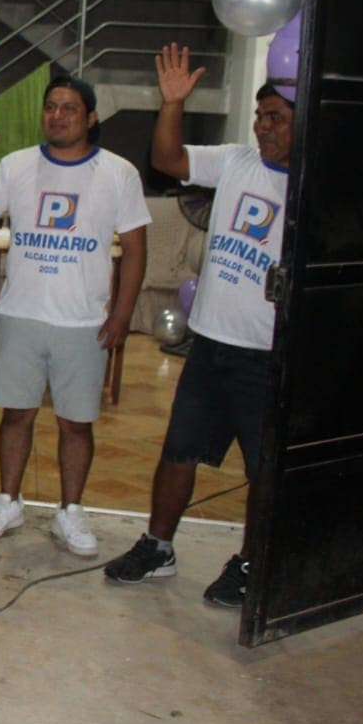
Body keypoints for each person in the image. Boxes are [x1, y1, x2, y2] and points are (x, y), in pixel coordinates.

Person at [105, 45, 292, 607]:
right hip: (210, 344)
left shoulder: (317, 187)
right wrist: (172, 104)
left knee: (264, 470)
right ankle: (158, 547)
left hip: (268, 355)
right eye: (258, 116)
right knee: (179, 450)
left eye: (275, 117)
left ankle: (253, 563)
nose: (261, 127)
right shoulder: (237, 162)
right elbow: (168, 158)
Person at [0, 74, 150, 556]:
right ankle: (8, 500)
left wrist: (123, 313)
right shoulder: (18, 165)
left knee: (76, 423)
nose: (57, 115)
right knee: (16, 414)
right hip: (21, 314)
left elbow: (135, 247)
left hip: (83, 322)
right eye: (51, 107)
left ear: (91, 117)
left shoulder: (119, 172)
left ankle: (70, 511)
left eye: (69, 108)